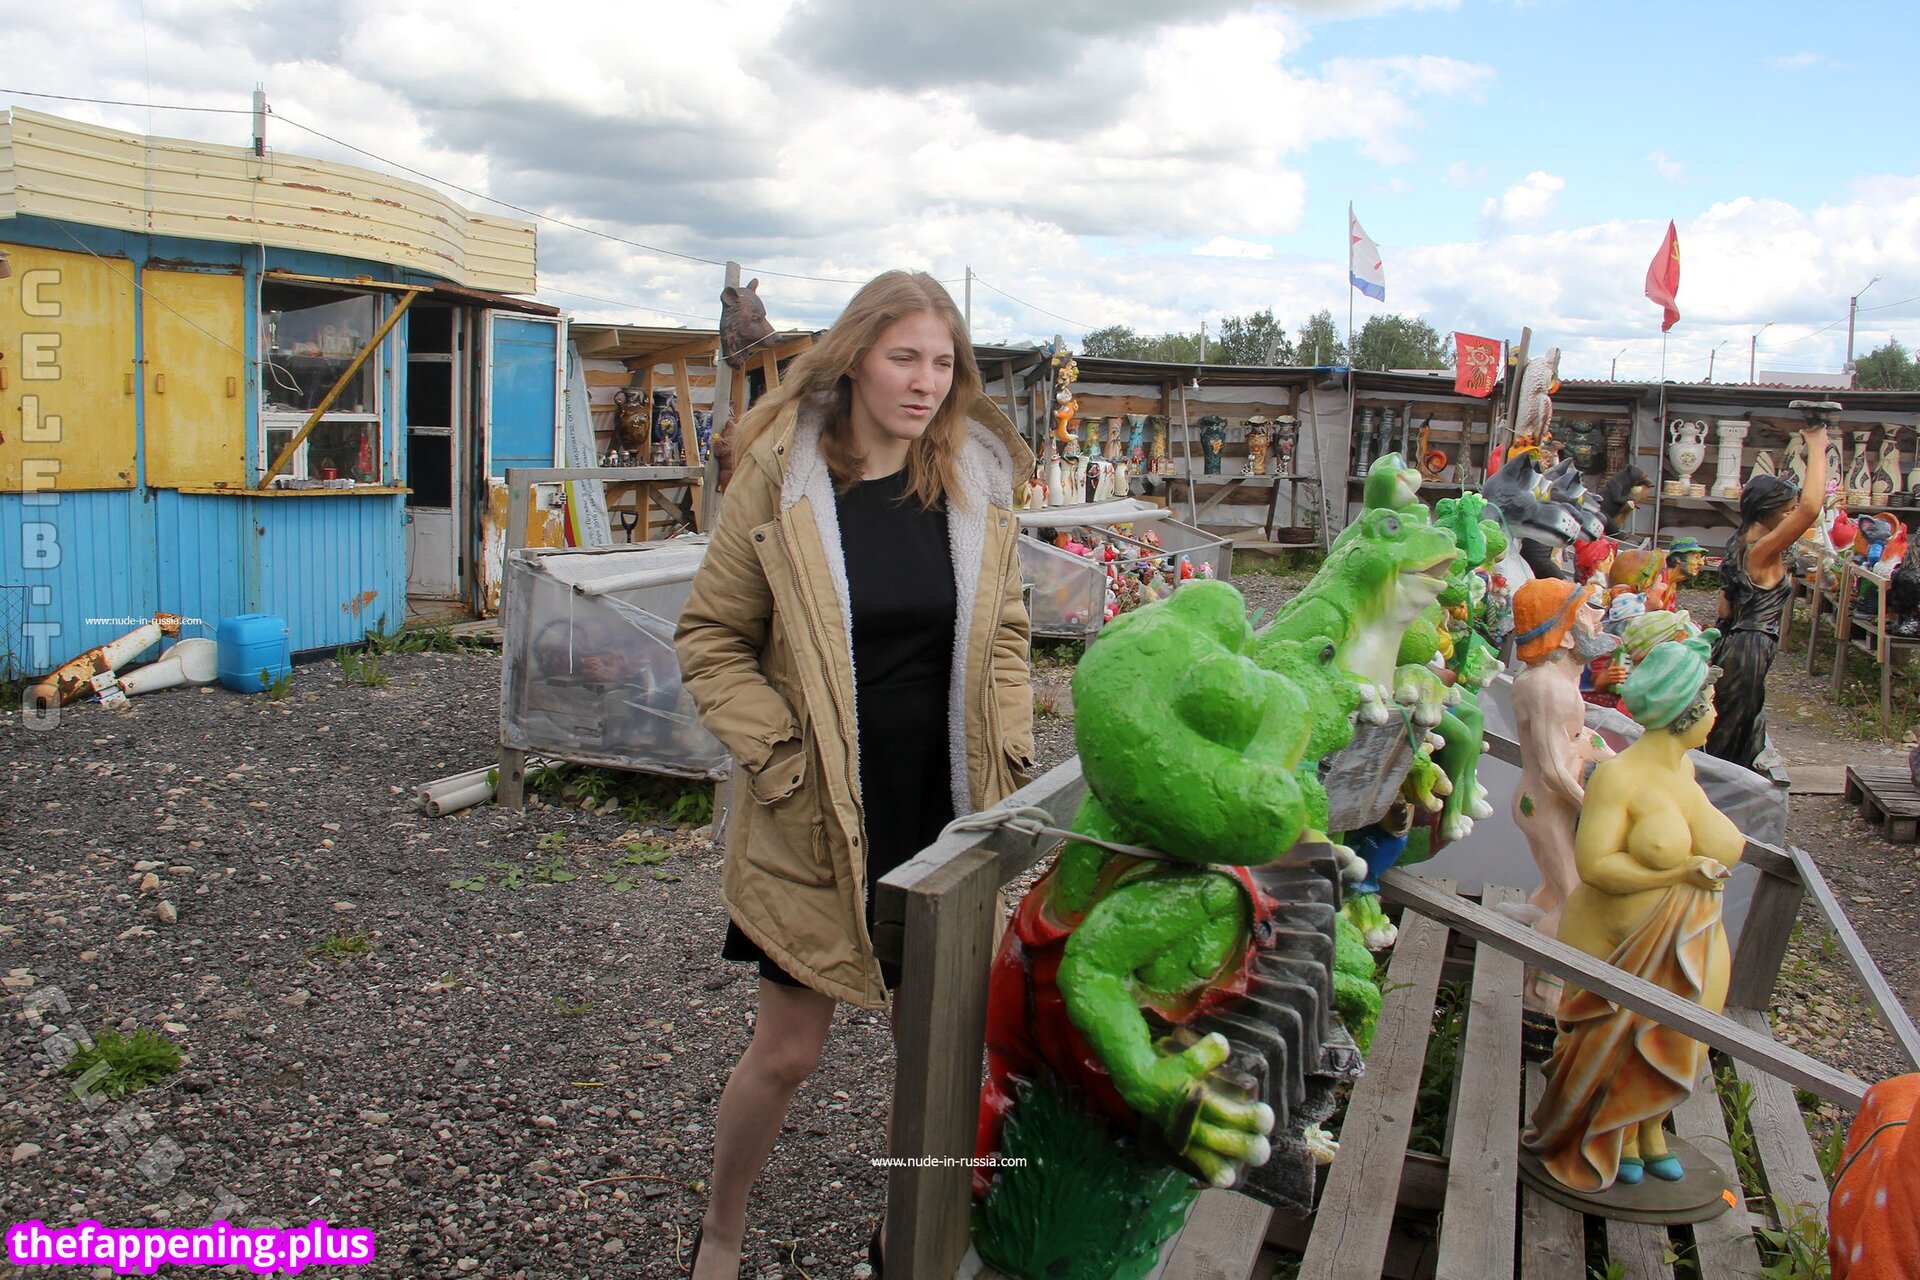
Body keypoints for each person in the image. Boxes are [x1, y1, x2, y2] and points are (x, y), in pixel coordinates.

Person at [673, 270, 1037, 1278]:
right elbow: (710, 638)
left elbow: (1007, 630)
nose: (926, 382)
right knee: (788, 1052)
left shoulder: (971, 480)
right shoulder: (785, 481)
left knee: (936, 1061)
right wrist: (780, 759)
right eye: (903, 357)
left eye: (943, 362)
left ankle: (903, 1239)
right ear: (856, 358)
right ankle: (721, 1231)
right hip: (819, 808)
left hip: (946, 806)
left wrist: (1010, 750)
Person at [1522, 632, 1743, 1191]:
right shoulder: (1619, 776)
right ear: (1683, 711)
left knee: (1672, 1041)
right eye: (1709, 703)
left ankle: (1650, 1130)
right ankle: (1606, 1132)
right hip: (1622, 942)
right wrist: (1678, 872)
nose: (1715, 714)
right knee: (1617, 1042)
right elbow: (1595, 865)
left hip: (1686, 939)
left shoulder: (1683, 772)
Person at [1705, 419, 1830, 771]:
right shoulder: (1762, 550)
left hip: (1737, 644)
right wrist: (1817, 445)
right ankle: (1719, 792)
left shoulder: (1740, 542)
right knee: (1732, 739)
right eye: (1786, 511)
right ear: (1766, 511)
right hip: (1751, 647)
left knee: (1733, 727)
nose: (1791, 517)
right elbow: (1811, 508)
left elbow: (1725, 609)